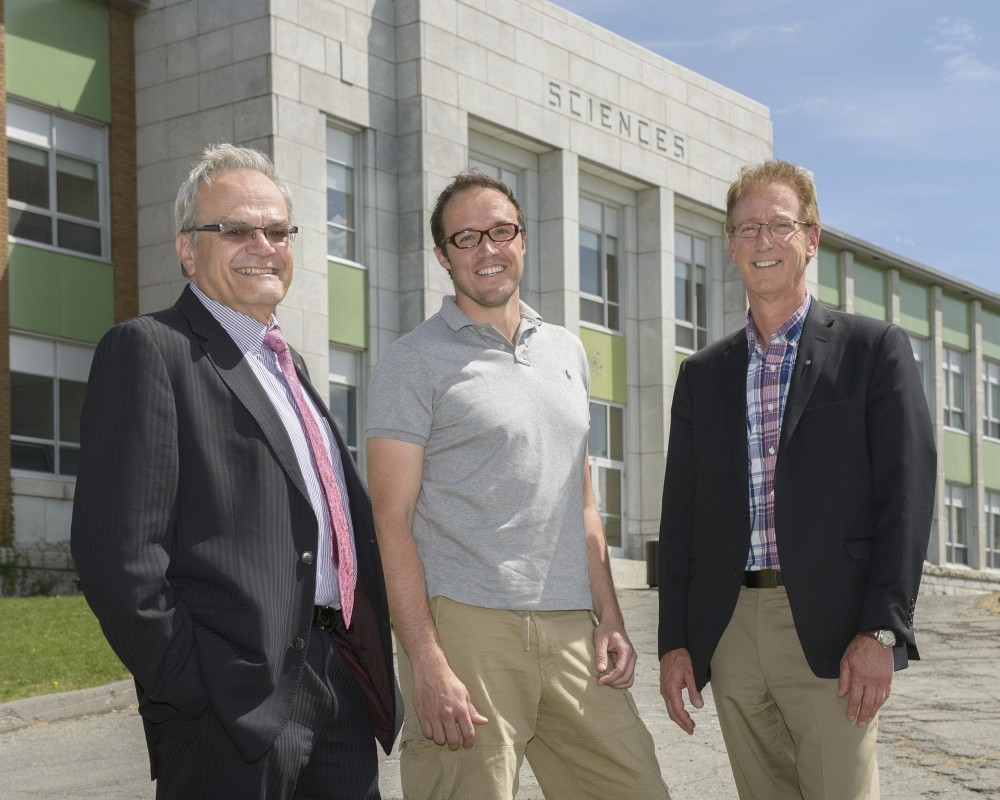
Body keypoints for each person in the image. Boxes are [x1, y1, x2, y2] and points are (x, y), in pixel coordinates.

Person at [71, 143, 400, 800]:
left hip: (338, 682)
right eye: (237, 230)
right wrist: (194, 687)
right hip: (232, 707)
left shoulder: (288, 366)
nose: (263, 246)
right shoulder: (150, 351)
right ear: (188, 250)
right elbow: (119, 557)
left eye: (277, 231)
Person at [365, 171, 669, 799]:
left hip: (571, 625)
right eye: (466, 237)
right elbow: (390, 519)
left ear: (523, 240)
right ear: (443, 255)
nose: (488, 249)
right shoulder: (411, 361)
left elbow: (582, 501)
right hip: (467, 627)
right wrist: (424, 657)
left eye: (501, 231)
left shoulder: (566, 351)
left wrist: (609, 615)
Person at [657, 159, 936, 799]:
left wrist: (882, 631)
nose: (763, 241)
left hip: (835, 631)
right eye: (747, 228)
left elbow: (906, 499)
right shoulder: (702, 375)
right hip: (729, 630)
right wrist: (676, 641)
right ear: (730, 246)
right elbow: (681, 518)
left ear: (811, 239)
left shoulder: (873, 350)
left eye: (779, 225)